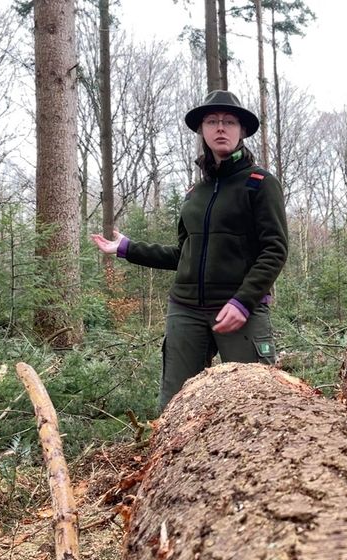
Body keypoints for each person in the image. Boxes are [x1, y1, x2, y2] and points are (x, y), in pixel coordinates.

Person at [92, 90, 288, 411]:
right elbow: (182, 255)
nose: (220, 128)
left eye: (229, 121)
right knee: (176, 405)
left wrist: (243, 302)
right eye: (212, 121)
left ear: (241, 131)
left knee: (258, 404)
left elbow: (275, 250)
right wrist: (127, 248)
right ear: (202, 131)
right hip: (185, 311)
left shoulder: (260, 183)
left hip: (240, 310)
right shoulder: (195, 193)